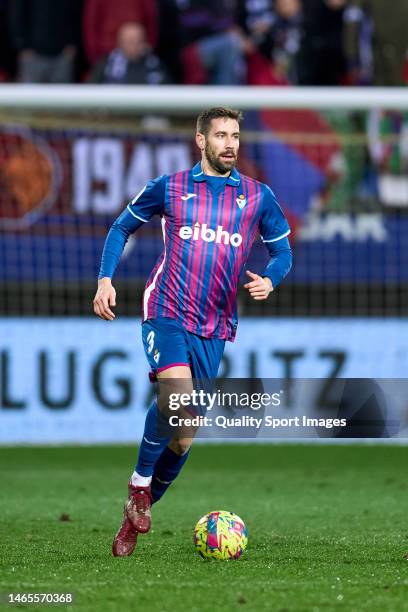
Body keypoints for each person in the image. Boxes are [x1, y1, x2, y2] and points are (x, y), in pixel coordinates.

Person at [93, 107, 293, 557]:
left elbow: (282, 253)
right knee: (176, 396)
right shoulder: (171, 187)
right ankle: (138, 485)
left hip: (215, 324)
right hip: (165, 308)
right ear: (200, 140)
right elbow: (121, 226)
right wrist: (105, 279)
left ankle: (136, 511)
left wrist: (271, 278)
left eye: (236, 135)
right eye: (221, 135)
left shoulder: (258, 197)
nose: (230, 143)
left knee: (183, 437)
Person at [9, 0, 82, 83]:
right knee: (31, 93)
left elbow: (77, 14)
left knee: (62, 93)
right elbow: (17, 15)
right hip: (32, 54)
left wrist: (73, 43)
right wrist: (22, 46)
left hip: (63, 53)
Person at [88, 22, 168, 85]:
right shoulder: (106, 63)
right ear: (120, 43)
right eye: (130, 41)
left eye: (138, 41)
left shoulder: (155, 65)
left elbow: (170, 93)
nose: (134, 45)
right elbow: (89, 93)